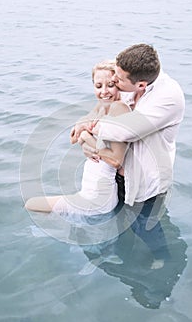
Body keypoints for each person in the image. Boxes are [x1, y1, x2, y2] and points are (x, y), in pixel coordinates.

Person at [74, 43, 185, 208]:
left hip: (145, 185)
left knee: (145, 230)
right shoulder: (131, 76)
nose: (113, 80)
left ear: (141, 85)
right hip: (117, 178)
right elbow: (103, 107)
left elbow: (125, 130)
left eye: (117, 79)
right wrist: (83, 124)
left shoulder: (168, 97)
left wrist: (85, 130)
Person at [25, 60, 131, 216]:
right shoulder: (102, 106)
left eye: (110, 85)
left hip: (98, 198)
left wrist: (86, 136)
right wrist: (83, 134)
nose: (104, 92)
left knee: (31, 204)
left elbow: (116, 160)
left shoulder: (119, 108)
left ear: (119, 84)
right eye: (98, 86)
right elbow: (74, 138)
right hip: (90, 192)